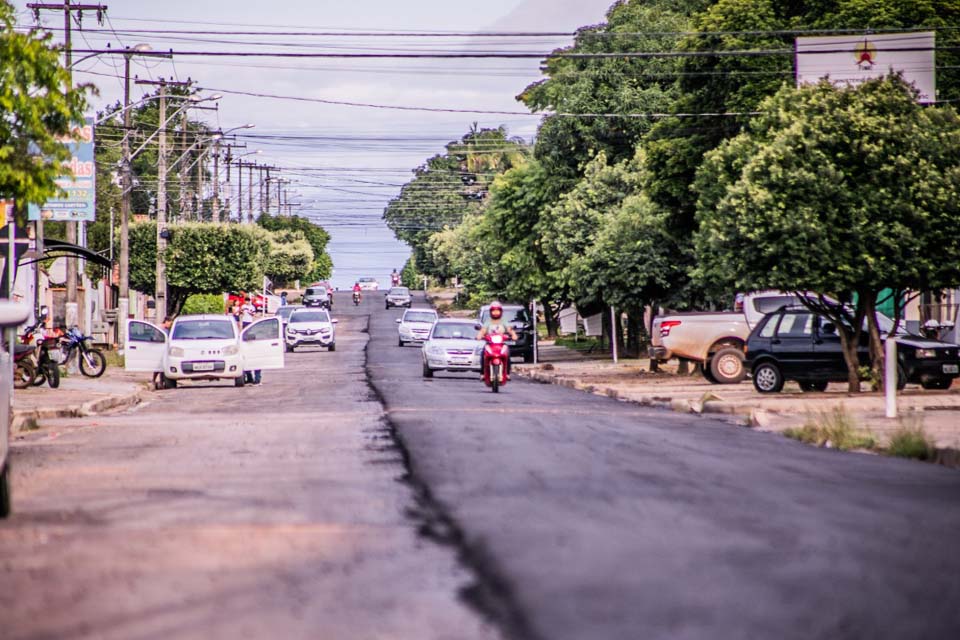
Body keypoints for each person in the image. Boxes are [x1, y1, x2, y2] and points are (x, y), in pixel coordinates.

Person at [477, 301, 517, 380]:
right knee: (483, 354)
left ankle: (507, 373)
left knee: (507, 354)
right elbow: (483, 330)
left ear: (501, 312)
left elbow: (509, 329)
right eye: (493, 311)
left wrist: (513, 335)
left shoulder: (503, 321)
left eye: (497, 311)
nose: (495, 313)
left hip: (501, 344)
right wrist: (480, 335)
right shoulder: (488, 321)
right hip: (490, 344)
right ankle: (482, 373)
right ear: (491, 312)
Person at [240, 298, 261, 385]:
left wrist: (250, 312)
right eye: (246, 301)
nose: (247, 302)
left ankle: (255, 379)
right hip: (245, 321)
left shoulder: (251, 307)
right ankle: (252, 379)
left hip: (250, 321)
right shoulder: (243, 306)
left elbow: (254, 314)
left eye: (248, 301)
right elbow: (240, 313)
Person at [152, 316, 175, 388]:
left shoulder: (166, 329)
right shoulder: (160, 329)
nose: (170, 325)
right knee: (159, 366)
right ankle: (154, 380)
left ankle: (161, 382)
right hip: (159, 349)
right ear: (166, 321)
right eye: (170, 323)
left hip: (164, 350)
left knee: (163, 367)